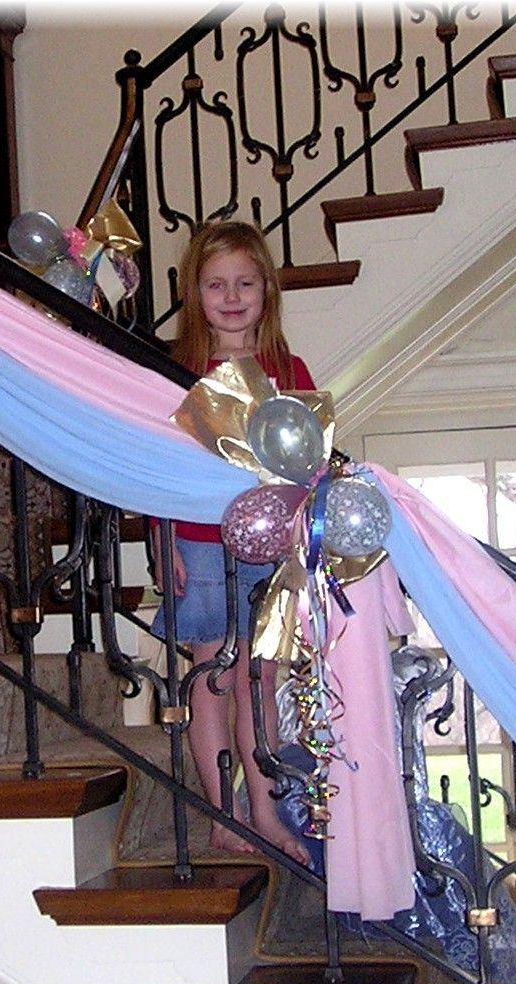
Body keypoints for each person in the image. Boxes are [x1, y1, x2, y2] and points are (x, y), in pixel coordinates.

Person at [152, 219, 313, 868]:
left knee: (260, 676)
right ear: (197, 292)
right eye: (217, 284)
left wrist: (303, 542)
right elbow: (154, 461)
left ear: (266, 290)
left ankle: (265, 812)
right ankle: (224, 814)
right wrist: (159, 537)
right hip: (196, 541)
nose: (232, 295)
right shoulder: (180, 368)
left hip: (270, 545)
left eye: (246, 282)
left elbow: (308, 460)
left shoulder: (287, 368)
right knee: (211, 677)